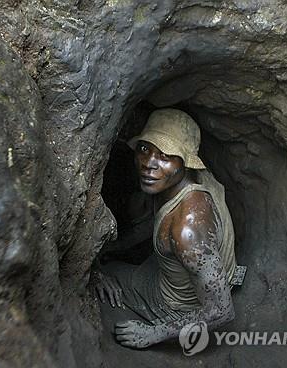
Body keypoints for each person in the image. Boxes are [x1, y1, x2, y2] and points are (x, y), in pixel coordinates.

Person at [95, 108, 239, 349]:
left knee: (105, 272)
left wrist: (152, 333)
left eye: (165, 155)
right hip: (186, 271)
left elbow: (222, 311)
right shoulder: (179, 183)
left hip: (181, 305)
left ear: (185, 162)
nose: (148, 164)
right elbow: (157, 225)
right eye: (144, 149)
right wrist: (110, 246)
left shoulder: (188, 230)